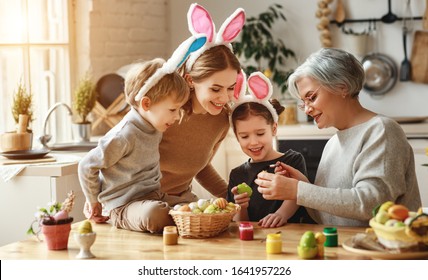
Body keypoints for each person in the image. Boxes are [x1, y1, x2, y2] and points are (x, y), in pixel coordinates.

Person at [255, 48, 422, 227]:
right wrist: (300, 185)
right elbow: (327, 216)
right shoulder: (333, 143)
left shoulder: (382, 131)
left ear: (342, 86)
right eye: (303, 103)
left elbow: (372, 204)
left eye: (312, 97)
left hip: (385, 251)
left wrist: (298, 190)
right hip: (344, 249)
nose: (308, 109)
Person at [78, 35, 207, 233]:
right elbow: (87, 165)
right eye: (173, 110)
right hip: (123, 207)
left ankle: (178, 213)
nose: (177, 117)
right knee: (155, 215)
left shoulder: (154, 125)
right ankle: (174, 215)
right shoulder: (124, 135)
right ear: (146, 104)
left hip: (154, 197)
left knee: (198, 205)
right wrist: (93, 201)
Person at [159, 4, 245, 204]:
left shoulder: (222, 120)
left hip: (180, 202)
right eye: (215, 89)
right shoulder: (167, 111)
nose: (224, 98)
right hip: (142, 201)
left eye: (231, 88)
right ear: (190, 80)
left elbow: (200, 166)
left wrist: (230, 198)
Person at [227, 71, 312, 228]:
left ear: (273, 129)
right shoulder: (237, 175)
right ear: (237, 137)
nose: (253, 142)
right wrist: (241, 207)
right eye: (244, 136)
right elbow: (241, 223)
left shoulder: (292, 160)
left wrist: (281, 214)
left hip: (290, 235)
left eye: (260, 133)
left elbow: (298, 194)